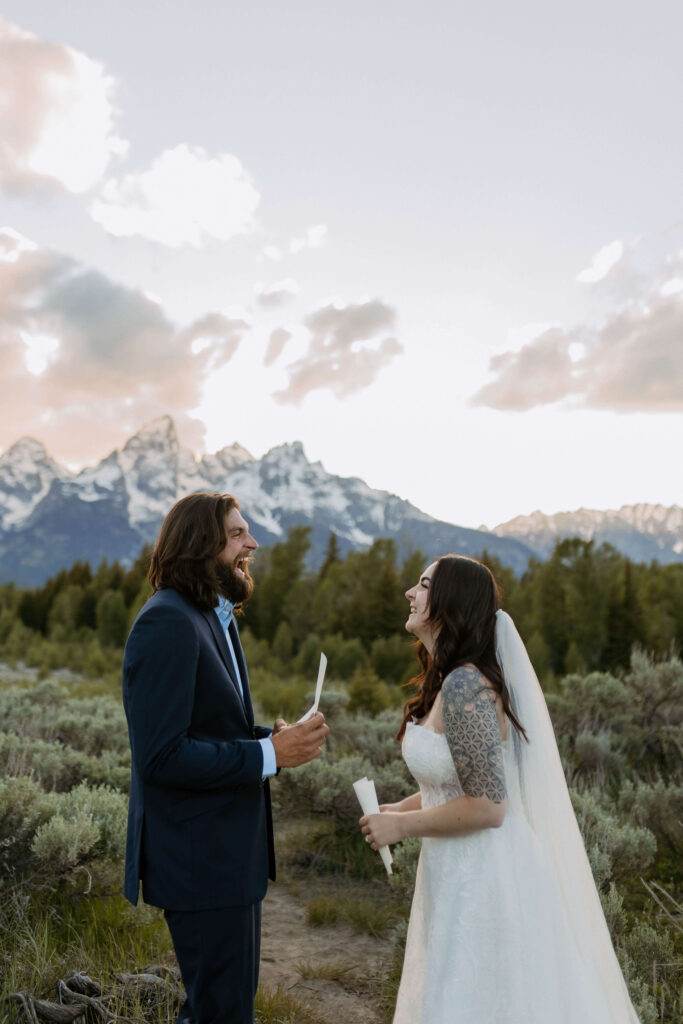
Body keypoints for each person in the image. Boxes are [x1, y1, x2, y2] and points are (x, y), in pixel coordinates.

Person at [359, 554, 641, 1023]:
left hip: (486, 876)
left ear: (450, 603)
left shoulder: (467, 686)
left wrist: (402, 826)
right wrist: (398, 808)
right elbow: (456, 783)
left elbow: (489, 805)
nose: (410, 592)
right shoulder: (451, 679)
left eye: (423, 585)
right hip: (456, 870)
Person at [122, 492, 329, 1024]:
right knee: (220, 1014)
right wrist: (267, 754)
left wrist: (272, 740)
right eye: (237, 534)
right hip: (199, 862)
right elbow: (162, 757)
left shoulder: (211, 616)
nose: (252, 544)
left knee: (227, 1009)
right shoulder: (166, 622)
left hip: (225, 859)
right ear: (199, 543)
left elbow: (210, 729)